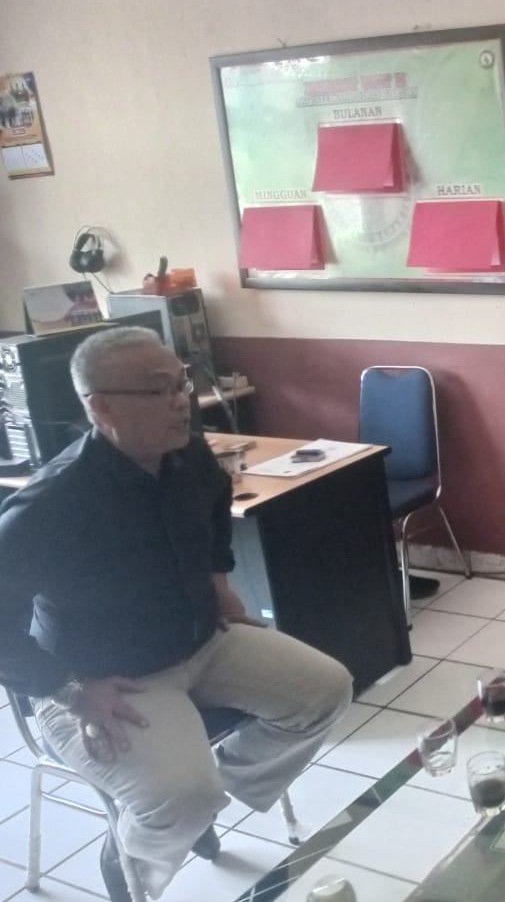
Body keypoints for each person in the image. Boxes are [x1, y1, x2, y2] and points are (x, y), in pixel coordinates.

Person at [0, 327, 353, 901]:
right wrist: (69, 691)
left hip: (200, 639)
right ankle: (134, 859)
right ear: (101, 407)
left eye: (180, 384)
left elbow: (215, 509)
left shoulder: (186, 453)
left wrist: (218, 584)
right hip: (104, 678)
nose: (180, 401)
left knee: (325, 689)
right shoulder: (52, 504)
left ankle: (202, 802)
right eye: (158, 390)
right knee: (180, 797)